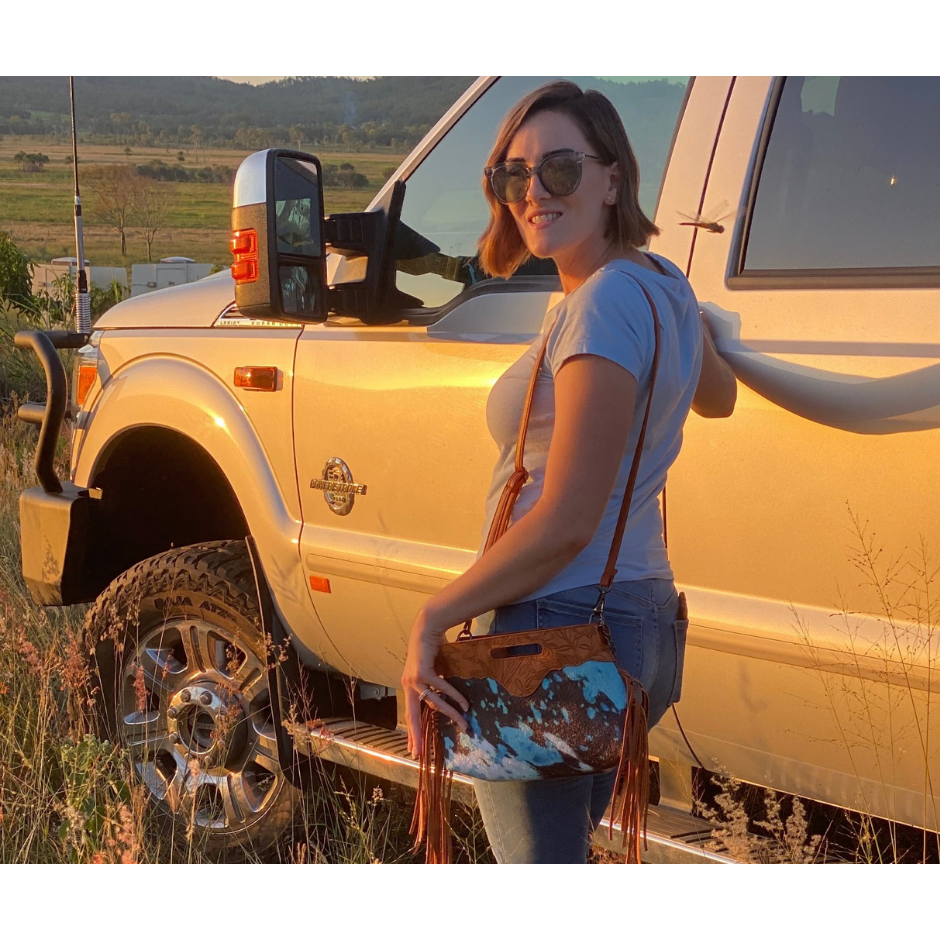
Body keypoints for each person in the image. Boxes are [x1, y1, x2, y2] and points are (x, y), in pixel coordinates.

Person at [401, 80, 737, 864]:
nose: (532, 193)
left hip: (554, 629)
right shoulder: (660, 286)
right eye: (512, 176)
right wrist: (696, 319)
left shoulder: (602, 306)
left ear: (613, 178)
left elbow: (568, 517)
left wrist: (432, 617)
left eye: (559, 169)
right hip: (641, 620)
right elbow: (715, 396)